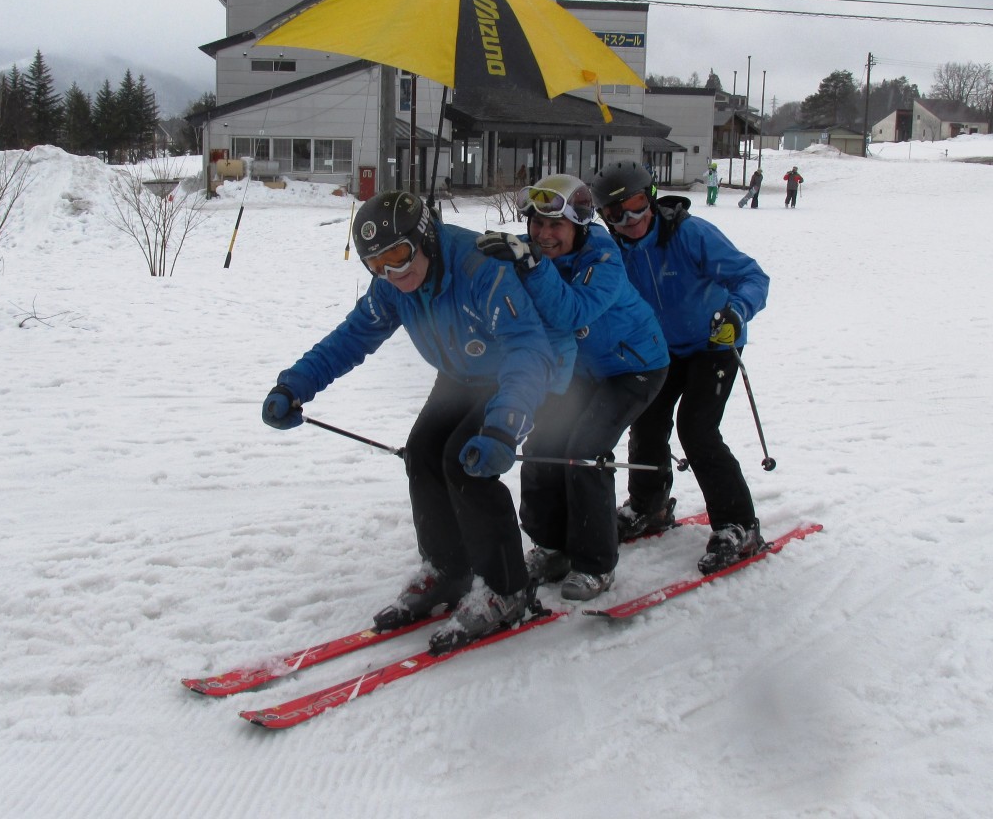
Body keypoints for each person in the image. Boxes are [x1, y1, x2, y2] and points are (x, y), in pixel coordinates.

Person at [262, 190, 567, 653]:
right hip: (461, 373)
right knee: (423, 452)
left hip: (519, 374)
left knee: (466, 464)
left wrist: (503, 427)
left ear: (425, 237)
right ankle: (448, 570)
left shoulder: (479, 268)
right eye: (376, 264)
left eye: (399, 256)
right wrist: (294, 385)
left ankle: (507, 589)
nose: (391, 273)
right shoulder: (392, 285)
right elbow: (352, 337)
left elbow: (528, 348)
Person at [477, 175, 669, 601]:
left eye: (556, 225)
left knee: (585, 453)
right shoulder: (529, 255)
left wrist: (531, 265)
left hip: (634, 367)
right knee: (544, 445)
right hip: (579, 370)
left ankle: (596, 563)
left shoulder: (604, 259)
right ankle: (552, 546)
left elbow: (572, 313)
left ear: (579, 226)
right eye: (536, 224)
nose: (544, 234)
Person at [590, 161, 771, 575]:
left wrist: (737, 312)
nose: (629, 220)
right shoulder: (612, 252)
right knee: (646, 422)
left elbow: (752, 276)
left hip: (714, 343)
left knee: (697, 428)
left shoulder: (690, 234)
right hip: (658, 351)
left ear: (652, 198)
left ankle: (738, 524)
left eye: (636, 205)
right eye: (616, 213)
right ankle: (648, 505)